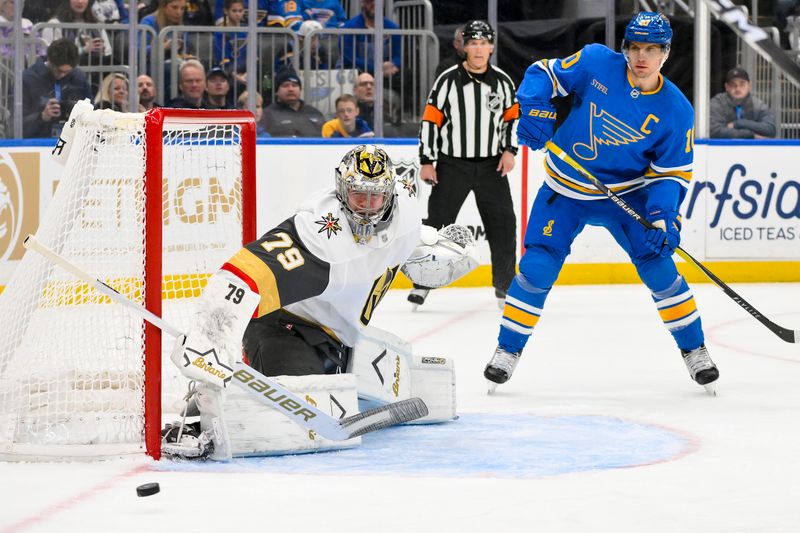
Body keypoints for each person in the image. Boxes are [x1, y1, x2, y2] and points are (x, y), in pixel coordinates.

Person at [164, 145, 473, 458]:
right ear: (341, 191)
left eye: (375, 197)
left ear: (390, 194)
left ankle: (261, 378)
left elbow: (406, 240)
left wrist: (433, 243)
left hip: (337, 337)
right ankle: (211, 404)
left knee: (329, 395)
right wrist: (209, 335)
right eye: (357, 196)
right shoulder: (318, 233)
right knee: (297, 411)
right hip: (282, 326)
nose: (366, 208)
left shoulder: (405, 210)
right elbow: (243, 273)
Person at [483, 12, 720, 394]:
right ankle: (507, 351)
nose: (642, 57)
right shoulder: (595, 63)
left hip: (627, 197)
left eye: (652, 49)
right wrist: (536, 107)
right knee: (538, 266)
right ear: (625, 48)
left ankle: (695, 350)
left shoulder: (676, 111)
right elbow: (543, 73)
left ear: (666, 52)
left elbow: (670, 175)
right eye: (635, 47)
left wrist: (663, 219)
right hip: (566, 190)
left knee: (659, 268)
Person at [409, 20, 518, 310]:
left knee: (503, 225)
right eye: (474, 43)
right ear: (464, 47)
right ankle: (422, 284)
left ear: (492, 47)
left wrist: (510, 151)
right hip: (451, 164)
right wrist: (427, 160)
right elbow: (431, 120)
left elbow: (511, 120)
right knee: (436, 226)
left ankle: (504, 286)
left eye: (484, 43)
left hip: (492, 166)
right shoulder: (447, 80)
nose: (479, 48)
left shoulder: (504, 82)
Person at [22, 38, 92, 138]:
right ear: (49, 60)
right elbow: (15, 124)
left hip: (73, 141)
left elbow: (91, 109)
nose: (62, 75)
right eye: (59, 70)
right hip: (37, 141)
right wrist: (42, 117)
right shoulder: (28, 79)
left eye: (67, 72)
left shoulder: (79, 77)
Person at [709, 67, 776, 139]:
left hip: (751, 150)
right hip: (721, 149)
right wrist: (750, 135)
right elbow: (713, 131)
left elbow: (770, 129)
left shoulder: (757, 105)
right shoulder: (718, 102)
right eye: (733, 85)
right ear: (726, 87)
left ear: (749, 85)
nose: (738, 89)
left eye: (742, 84)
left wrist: (739, 123)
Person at [340, 0, 401, 78]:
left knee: (406, 75)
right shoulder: (349, 27)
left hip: (384, 72)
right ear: (362, 2)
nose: (374, 3)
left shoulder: (392, 28)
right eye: (370, 0)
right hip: (356, 72)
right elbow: (349, 58)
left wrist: (392, 64)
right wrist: (377, 68)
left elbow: (398, 55)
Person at [41, 0, 113, 65]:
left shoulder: (97, 25)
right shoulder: (54, 24)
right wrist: (84, 50)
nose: (80, 1)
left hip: (95, 70)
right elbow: (52, 56)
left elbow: (108, 52)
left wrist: (102, 50)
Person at [261, 69, 325, 137]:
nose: (291, 89)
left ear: (300, 90)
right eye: (285, 85)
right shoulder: (267, 115)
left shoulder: (315, 113)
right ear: (277, 91)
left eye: (294, 85)